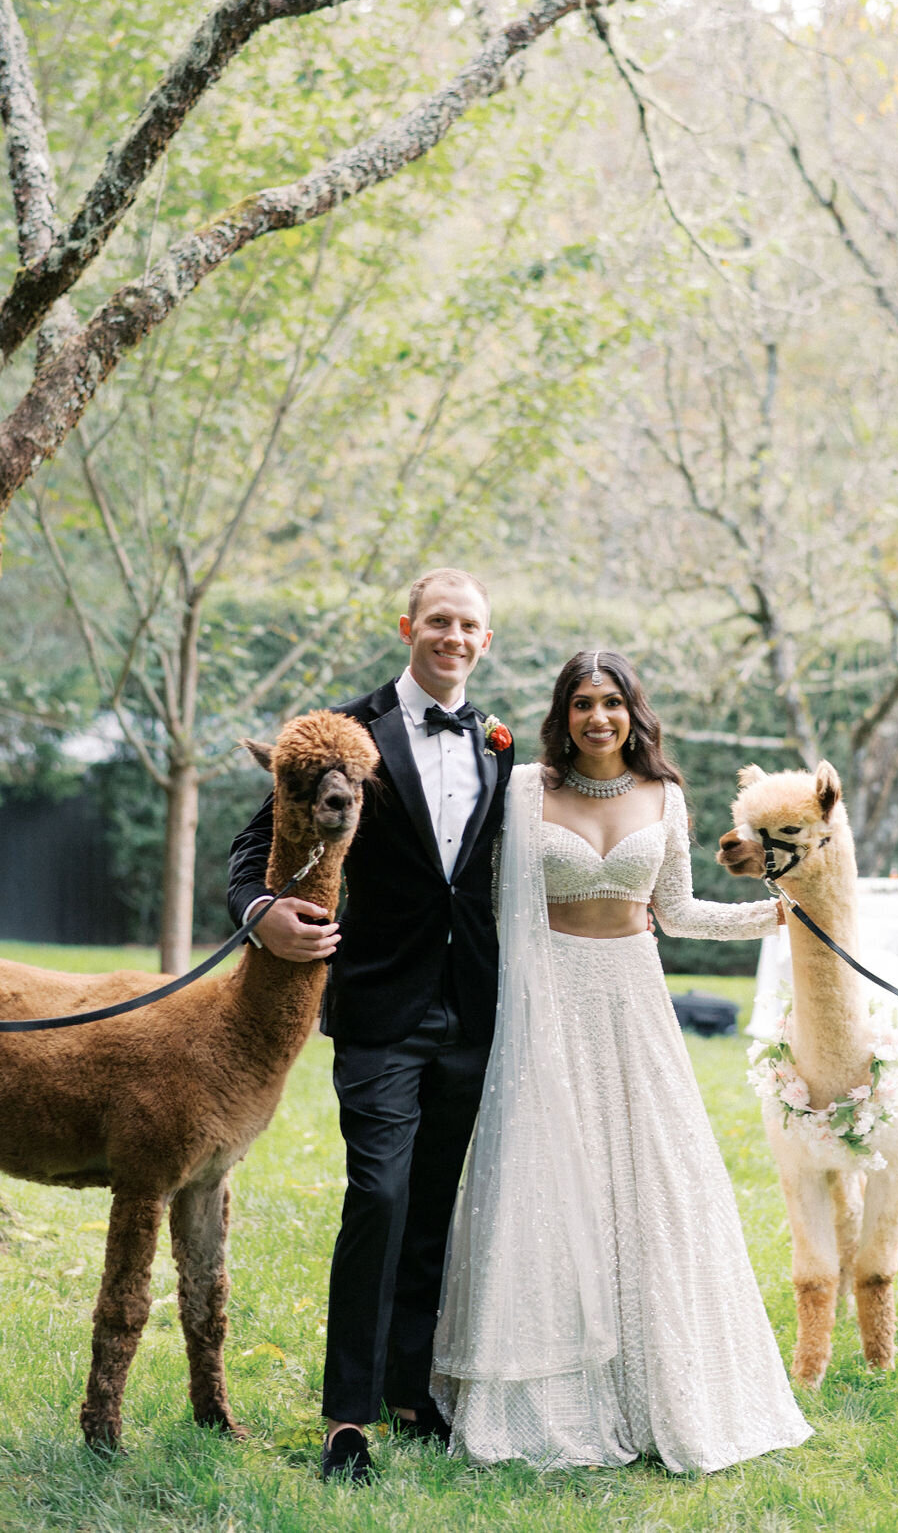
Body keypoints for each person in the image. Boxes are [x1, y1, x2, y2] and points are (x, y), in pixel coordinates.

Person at [431, 650, 811, 1472]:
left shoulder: (665, 796)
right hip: (548, 1000)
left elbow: (673, 910)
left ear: (635, 713)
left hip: (635, 1001)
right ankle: (546, 1386)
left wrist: (768, 917)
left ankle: (663, 1383)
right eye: (582, 703)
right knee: (544, 1179)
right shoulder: (526, 789)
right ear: (562, 715)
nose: (597, 717)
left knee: (655, 1180)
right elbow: (491, 905)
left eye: (612, 702)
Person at [227, 568, 513, 1485]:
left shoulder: (502, 745)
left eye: (469, 625)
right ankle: (347, 1413)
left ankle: (406, 1388)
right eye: (439, 620)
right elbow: (249, 846)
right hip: (381, 1007)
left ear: (486, 639)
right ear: (408, 627)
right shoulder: (342, 734)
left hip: (471, 1007)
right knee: (380, 1195)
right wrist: (261, 908)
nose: (454, 637)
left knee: (431, 1204)